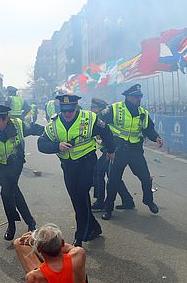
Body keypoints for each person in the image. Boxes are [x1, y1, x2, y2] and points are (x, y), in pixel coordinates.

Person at [37, 94, 116, 246]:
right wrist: (57, 146)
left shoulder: (89, 118)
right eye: (64, 111)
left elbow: (106, 132)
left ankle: (80, 237)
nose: (67, 114)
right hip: (68, 166)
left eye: (70, 110)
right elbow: (41, 144)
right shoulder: (54, 123)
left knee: (81, 195)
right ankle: (94, 227)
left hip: (87, 163)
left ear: (76, 108)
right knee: (77, 200)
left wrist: (111, 150)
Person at [0, 104, 44, 240]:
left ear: (6, 119)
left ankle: (12, 225)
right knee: (13, 192)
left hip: (14, 162)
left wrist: (52, 135)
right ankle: (30, 222)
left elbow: (36, 129)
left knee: (6, 192)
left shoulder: (18, 125)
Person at [100, 84, 164, 221]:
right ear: (128, 97)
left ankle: (148, 200)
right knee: (113, 181)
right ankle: (108, 209)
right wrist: (106, 144)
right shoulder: (114, 109)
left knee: (146, 179)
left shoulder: (142, 113)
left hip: (135, 151)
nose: (138, 99)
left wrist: (156, 137)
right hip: (119, 150)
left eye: (140, 96)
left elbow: (148, 129)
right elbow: (100, 122)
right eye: (136, 96)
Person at [89, 98, 133, 210]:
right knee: (113, 176)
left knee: (98, 171)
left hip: (113, 150)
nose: (91, 109)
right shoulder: (98, 117)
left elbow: (109, 134)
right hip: (110, 149)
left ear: (100, 108)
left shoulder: (105, 117)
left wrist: (103, 143)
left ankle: (100, 202)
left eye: (93, 107)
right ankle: (127, 200)